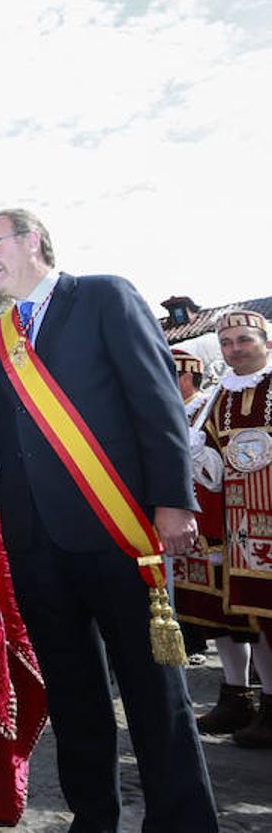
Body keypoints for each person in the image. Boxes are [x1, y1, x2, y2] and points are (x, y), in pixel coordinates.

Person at [0, 209, 218, 831]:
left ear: (33, 241)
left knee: (155, 694)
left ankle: (182, 821)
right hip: (38, 542)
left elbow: (156, 400)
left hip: (118, 529)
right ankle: (93, 818)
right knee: (73, 693)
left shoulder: (103, 296)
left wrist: (174, 500)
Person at [188, 309, 272, 747]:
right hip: (242, 526)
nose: (234, 348)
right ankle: (259, 706)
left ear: (267, 342)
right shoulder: (221, 397)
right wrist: (200, 456)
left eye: (243, 339)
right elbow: (218, 471)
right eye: (227, 342)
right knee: (254, 619)